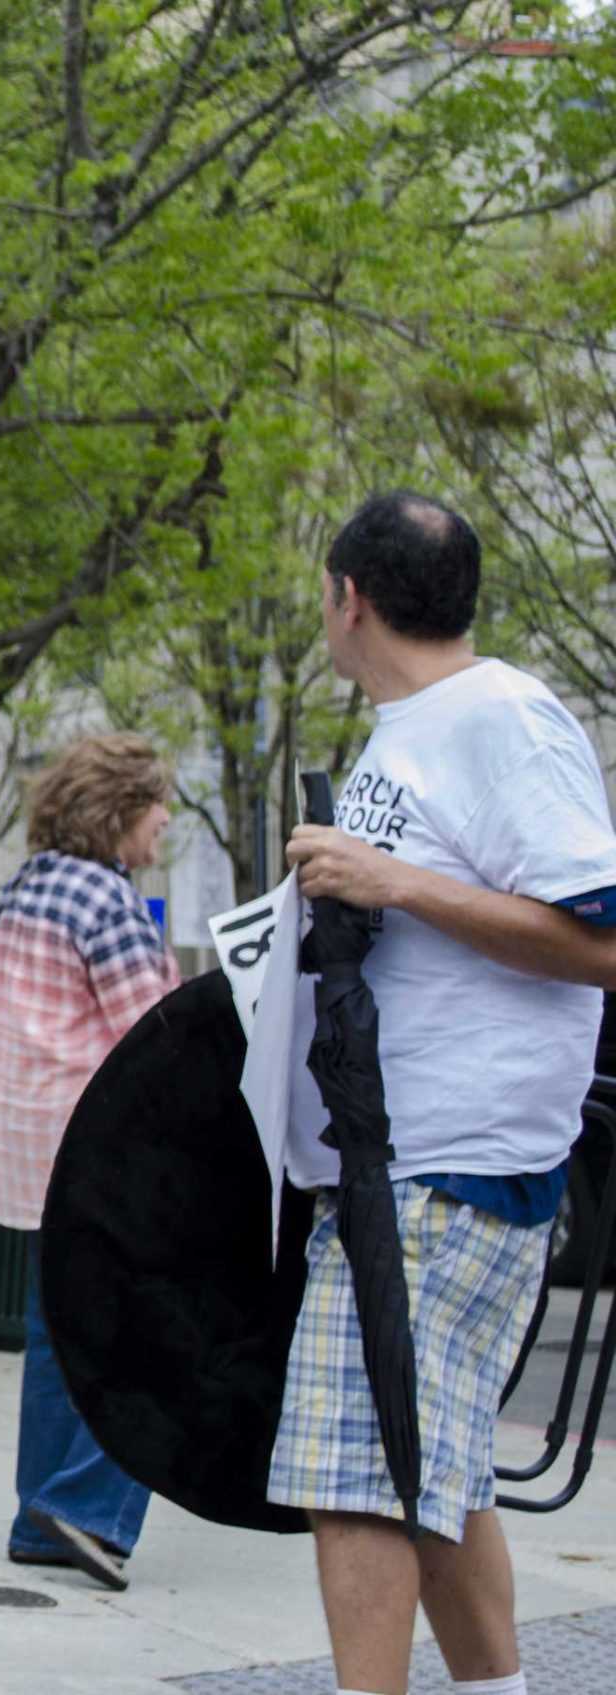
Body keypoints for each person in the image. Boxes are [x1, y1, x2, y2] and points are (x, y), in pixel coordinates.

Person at [271, 492, 616, 1695]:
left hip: (445, 1162)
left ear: (345, 598)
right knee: (436, 1469)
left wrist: (395, 883)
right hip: (395, 1157)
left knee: (353, 1477)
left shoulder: (500, 718)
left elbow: (604, 939)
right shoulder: (418, 727)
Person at [0, 733, 180, 1590]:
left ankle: (38, 1516)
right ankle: (88, 1509)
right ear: (119, 811)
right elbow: (156, 1036)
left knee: (55, 1335)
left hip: (30, 1153)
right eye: (156, 805)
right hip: (106, 1151)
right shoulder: (108, 902)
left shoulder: (20, 892)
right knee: (153, 1338)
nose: (165, 822)